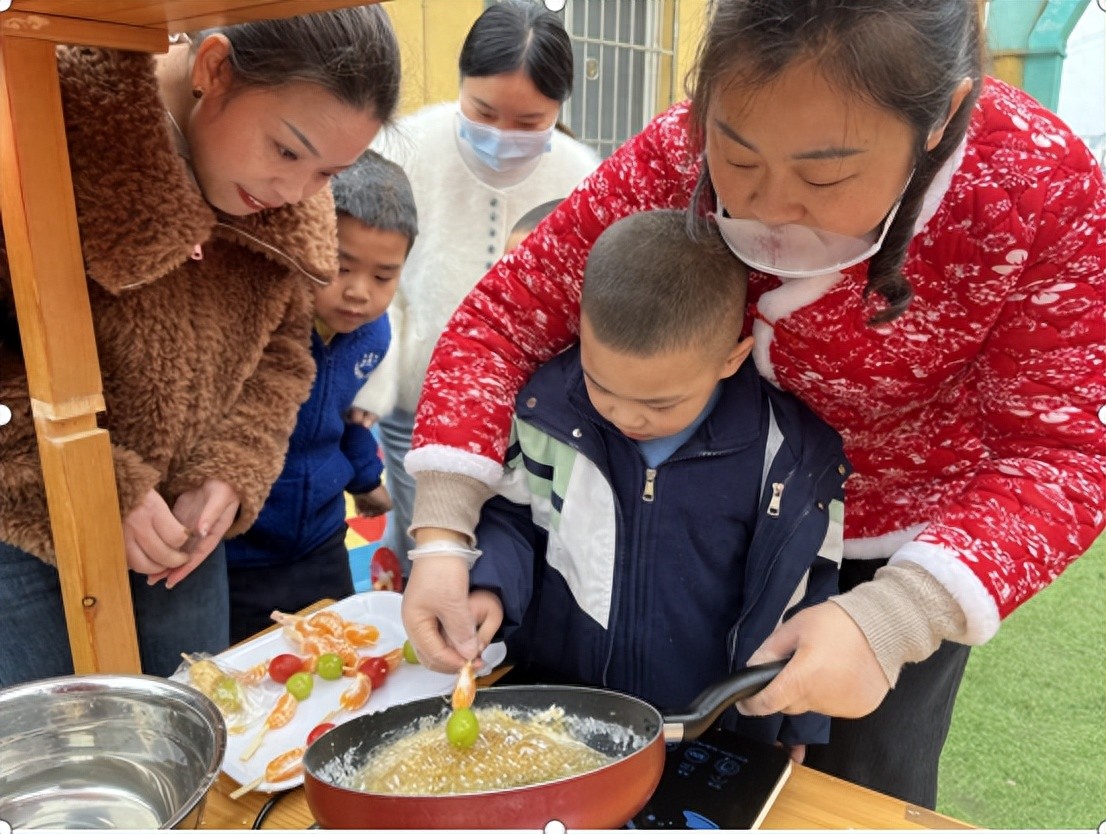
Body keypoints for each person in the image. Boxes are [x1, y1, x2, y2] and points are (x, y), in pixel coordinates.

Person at [398, 0, 1105, 809]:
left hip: (904, 547)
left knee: (849, 796)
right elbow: (502, 319)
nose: (767, 206)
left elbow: (1063, 455)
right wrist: (445, 535)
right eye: (734, 154)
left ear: (940, 118)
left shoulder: (1033, 186)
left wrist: (897, 616)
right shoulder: (675, 150)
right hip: (692, 520)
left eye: (824, 175)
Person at [0, 7, 401, 685]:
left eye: (329, 173)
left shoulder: (294, 208)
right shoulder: (40, 126)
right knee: (58, 754)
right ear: (213, 69)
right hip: (20, 527)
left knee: (188, 731)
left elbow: (282, 358)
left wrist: (231, 466)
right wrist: (81, 488)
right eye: (286, 150)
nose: (294, 192)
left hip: (183, 540)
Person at [466, 209, 849, 755]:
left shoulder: (788, 456)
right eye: (602, 386)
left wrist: (797, 722)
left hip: (710, 728)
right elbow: (510, 516)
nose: (627, 416)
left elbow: (807, 592)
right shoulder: (544, 408)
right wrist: (490, 586)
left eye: (659, 402)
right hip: (561, 711)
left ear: (732, 357)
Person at [349, 0, 600, 579]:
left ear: (559, 109)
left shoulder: (582, 174)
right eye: (483, 111)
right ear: (460, 84)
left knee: (518, 543)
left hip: (532, 413)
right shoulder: (405, 148)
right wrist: (374, 383)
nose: (501, 136)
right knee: (432, 544)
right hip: (414, 401)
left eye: (529, 123)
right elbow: (374, 279)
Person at [223, 150, 417, 644]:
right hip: (239, 550)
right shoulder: (261, 327)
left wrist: (367, 480)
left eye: (382, 277)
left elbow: (350, 420)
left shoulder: (374, 336)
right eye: (340, 266)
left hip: (323, 538)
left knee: (334, 655)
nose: (358, 293)